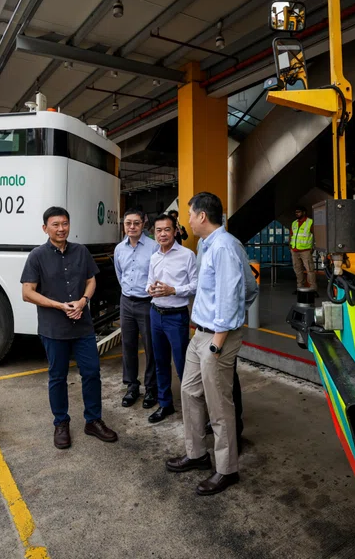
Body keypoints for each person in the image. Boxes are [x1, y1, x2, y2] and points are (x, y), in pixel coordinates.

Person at [166, 192, 251, 496]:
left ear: (202, 216)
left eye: (189, 214)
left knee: (219, 405)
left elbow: (233, 296)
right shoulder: (205, 244)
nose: (186, 219)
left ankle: (226, 470)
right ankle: (197, 454)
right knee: (189, 392)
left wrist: (217, 342)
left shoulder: (226, 247)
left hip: (217, 338)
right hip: (199, 333)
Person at [21, 206, 118, 449]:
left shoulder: (81, 251)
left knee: (92, 373)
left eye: (65, 223)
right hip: (54, 328)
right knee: (57, 377)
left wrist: (84, 300)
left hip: (83, 326)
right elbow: (27, 293)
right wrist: (59, 306)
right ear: (45, 228)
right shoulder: (37, 256)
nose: (61, 228)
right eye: (55, 224)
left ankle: (93, 420)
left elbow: (91, 280)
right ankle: (61, 423)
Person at [146, 213, 197, 423]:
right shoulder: (154, 257)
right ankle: (165, 404)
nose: (163, 234)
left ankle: (192, 409)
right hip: (155, 314)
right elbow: (149, 282)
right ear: (154, 233)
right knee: (160, 362)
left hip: (176, 317)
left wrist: (173, 290)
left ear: (175, 231)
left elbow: (195, 285)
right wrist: (150, 289)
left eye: (167, 229)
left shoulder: (187, 255)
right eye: (159, 230)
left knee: (183, 364)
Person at [114, 209, 158, 409]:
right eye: (128, 223)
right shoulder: (119, 249)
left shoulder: (154, 247)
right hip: (126, 302)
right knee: (128, 345)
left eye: (136, 223)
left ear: (144, 224)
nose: (131, 227)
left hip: (147, 303)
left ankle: (151, 388)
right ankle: (132, 386)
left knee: (151, 347)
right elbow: (120, 274)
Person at [290, 205, 315, 290]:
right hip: (294, 250)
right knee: (298, 270)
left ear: (304, 212)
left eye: (299, 212)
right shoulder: (294, 223)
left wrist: (313, 247)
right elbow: (291, 235)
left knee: (310, 270)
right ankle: (300, 288)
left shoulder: (310, 222)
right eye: (296, 212)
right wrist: (290, 246)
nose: (297, 213)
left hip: (306, 251)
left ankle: (313, 289)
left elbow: (317, 235)